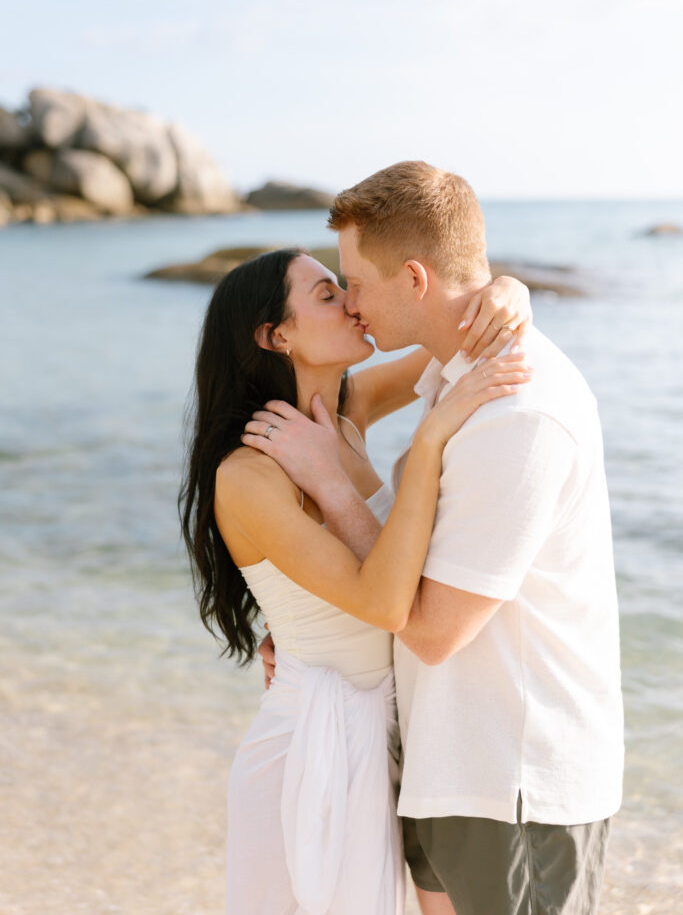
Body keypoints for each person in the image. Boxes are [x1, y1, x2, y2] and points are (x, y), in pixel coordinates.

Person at [252, 162, 624, 915]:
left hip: (513, 781)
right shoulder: (448, 381)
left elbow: (430, 628)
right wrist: (301, 626)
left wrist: (331, 484)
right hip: (442, 760)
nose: (350, 303)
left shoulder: (515, 413)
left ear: (414, 279)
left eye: (352, 280)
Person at [180, 245, 533, 915]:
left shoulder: (348, 410)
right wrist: (429, 441)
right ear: (274, 336)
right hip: (307, 751)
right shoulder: (247, 475)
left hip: (388, 732)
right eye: (324, 294)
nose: (349, 302)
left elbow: (454, 337)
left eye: (343, 286)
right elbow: (382, 600)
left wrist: (511, 290)